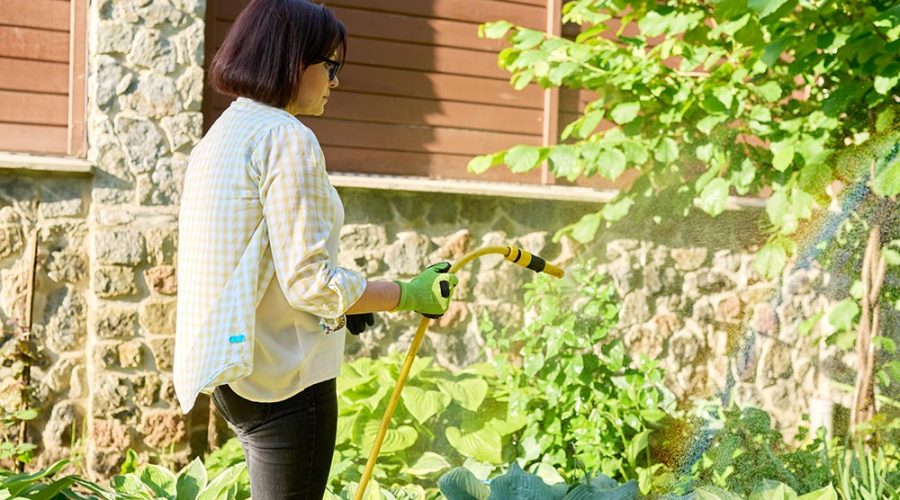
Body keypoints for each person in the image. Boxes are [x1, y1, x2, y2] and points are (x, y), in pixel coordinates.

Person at [172, 1, 459, 498]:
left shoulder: (225, 132)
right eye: (330, 66)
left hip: (236, 375)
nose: (335, 81)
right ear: (291, 59)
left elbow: (258, 260)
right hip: (286, 384)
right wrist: (405, 294)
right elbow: (309, 284)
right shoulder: (287, 138)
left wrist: (351, 307)